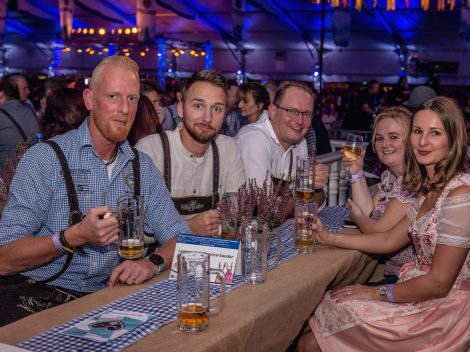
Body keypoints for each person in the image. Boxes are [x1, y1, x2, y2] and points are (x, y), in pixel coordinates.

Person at [0, 56, 189, 327]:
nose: (124, 109)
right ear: (89, 100)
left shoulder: (140, 167)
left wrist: (152, 263)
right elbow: (4, 257)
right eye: (113, 96)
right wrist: (71, 237)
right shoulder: (45, 159)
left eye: (132, 99)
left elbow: (180, 236)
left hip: (103, 300)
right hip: (37, 296)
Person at [298, 96, 470, 351]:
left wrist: (374, 293)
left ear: (453, 139)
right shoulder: (429, 189)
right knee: (321, 315)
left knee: (314, 335)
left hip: (443, 311)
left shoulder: (460, 194)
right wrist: (328, 237)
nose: (422, 142)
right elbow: (389, 239)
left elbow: (439, 283)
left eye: (435, 133)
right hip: (417, 292)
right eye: (418, 132)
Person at [136, 70, 245, 236]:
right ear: (181, 109)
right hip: (159, 258)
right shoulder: (151, 151)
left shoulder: (229, 149)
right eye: (198, 106)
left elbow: (235, 220)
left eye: (216, 108)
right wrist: (189, 228)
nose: (207, 118)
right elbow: (136, 227)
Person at [344, 107, 416, 283]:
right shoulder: (389, 176)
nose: (384, 144)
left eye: (393, 137)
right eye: (379, 138)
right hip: (393, 271)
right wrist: (356, 172)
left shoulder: (412, 181)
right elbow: (367, 210)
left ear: (410, 141)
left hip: (410, 278)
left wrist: (358, 218)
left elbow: (378, 232)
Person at [236, 80, 329, 208]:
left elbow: (321, 195)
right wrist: (301, 200)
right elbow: (262, 206)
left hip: (280, 225)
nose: (300, 121)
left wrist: (316, 187)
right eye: (292, 111)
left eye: (306, 114)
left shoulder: (301, 142)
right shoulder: (254, 139)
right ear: (273, 111)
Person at [0, 79, 40, 168]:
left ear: (1, 94)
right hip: (32, 168)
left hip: (7, 175)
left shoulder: (2, 115)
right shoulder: (29, 109)